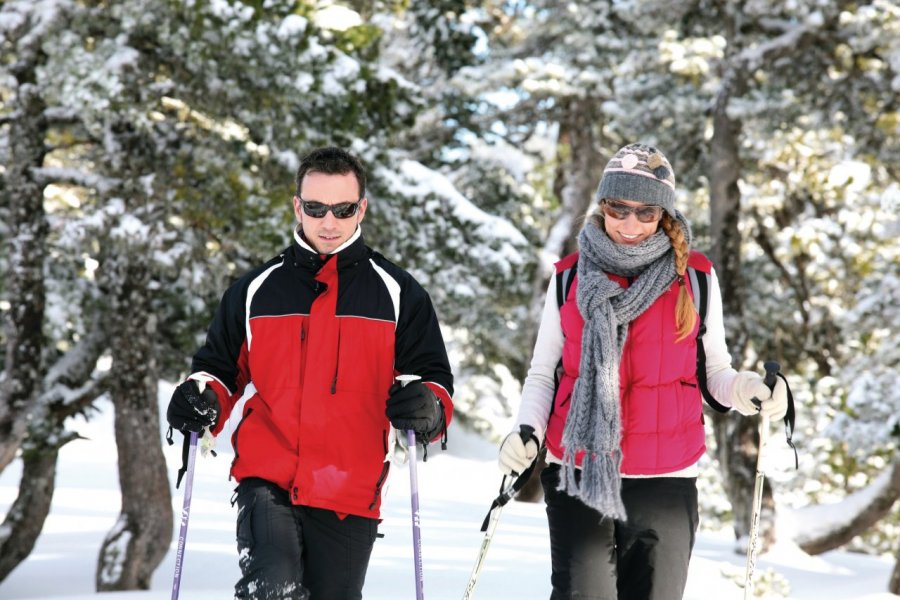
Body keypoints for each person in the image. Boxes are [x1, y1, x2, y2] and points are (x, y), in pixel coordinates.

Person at [498, 143, 788, 600]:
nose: (630, 224)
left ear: (665, 215)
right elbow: (544, 374)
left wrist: (749, 387)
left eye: (647, 212)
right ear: (603, 204)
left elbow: (715, 373)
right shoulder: (570, 276)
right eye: (619, 208)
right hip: (579, 470)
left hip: (666, 477)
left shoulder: (693, 276)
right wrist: (526, 432)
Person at [166, 146, 454, 600]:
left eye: (342, 209)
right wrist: (199, 397)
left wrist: (428, 406)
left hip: (350, 487)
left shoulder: (399, 293)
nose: (329, 222)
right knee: (271, 588)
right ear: (297, 206)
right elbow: (218, 371)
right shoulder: (256, 290)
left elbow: (433, 379)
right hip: (267, 475)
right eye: (316, 208)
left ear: (361, 208)